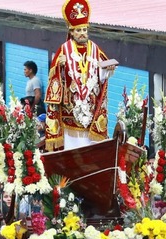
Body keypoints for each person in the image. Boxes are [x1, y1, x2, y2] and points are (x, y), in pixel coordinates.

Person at [44, 0, 115, 151]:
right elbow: (54, 78)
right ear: (71, 32)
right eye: (78, 30)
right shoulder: (63, 49)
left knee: (92, 153)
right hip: (71, 111)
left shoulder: (94, 49)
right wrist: (60, 67)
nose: (82, 33)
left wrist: (107, 69)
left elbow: (101, 75)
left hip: (91, 109)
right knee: (73, 152)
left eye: (84, 30)